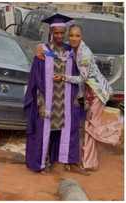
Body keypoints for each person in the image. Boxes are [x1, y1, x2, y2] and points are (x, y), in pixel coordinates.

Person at [36, 24, 121, 171]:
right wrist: (39, 47)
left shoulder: (84, 54)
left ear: (82, 37)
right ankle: (89, 160)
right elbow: (56, 47)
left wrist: (63, 77)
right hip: (90, 93)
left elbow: (82, 78)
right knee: (89, 126)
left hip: (97, 93)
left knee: (89, 127)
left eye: (77, 36)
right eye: (72, 35)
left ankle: (112, 135)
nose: (74, 38)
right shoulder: (74, 48)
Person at [24, 14, 85, 174]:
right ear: (51, 32)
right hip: (48, 100)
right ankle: (42, 162)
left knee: (68, 131)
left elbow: (80, 74)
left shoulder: (70, 52)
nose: (59, 36)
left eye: (61, 33)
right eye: (55, 32)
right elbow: (35, 79)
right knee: (44, 131)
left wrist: (77, 97)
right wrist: (40, 100)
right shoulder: (43, 52)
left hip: (65, 100)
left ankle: (68, 161)